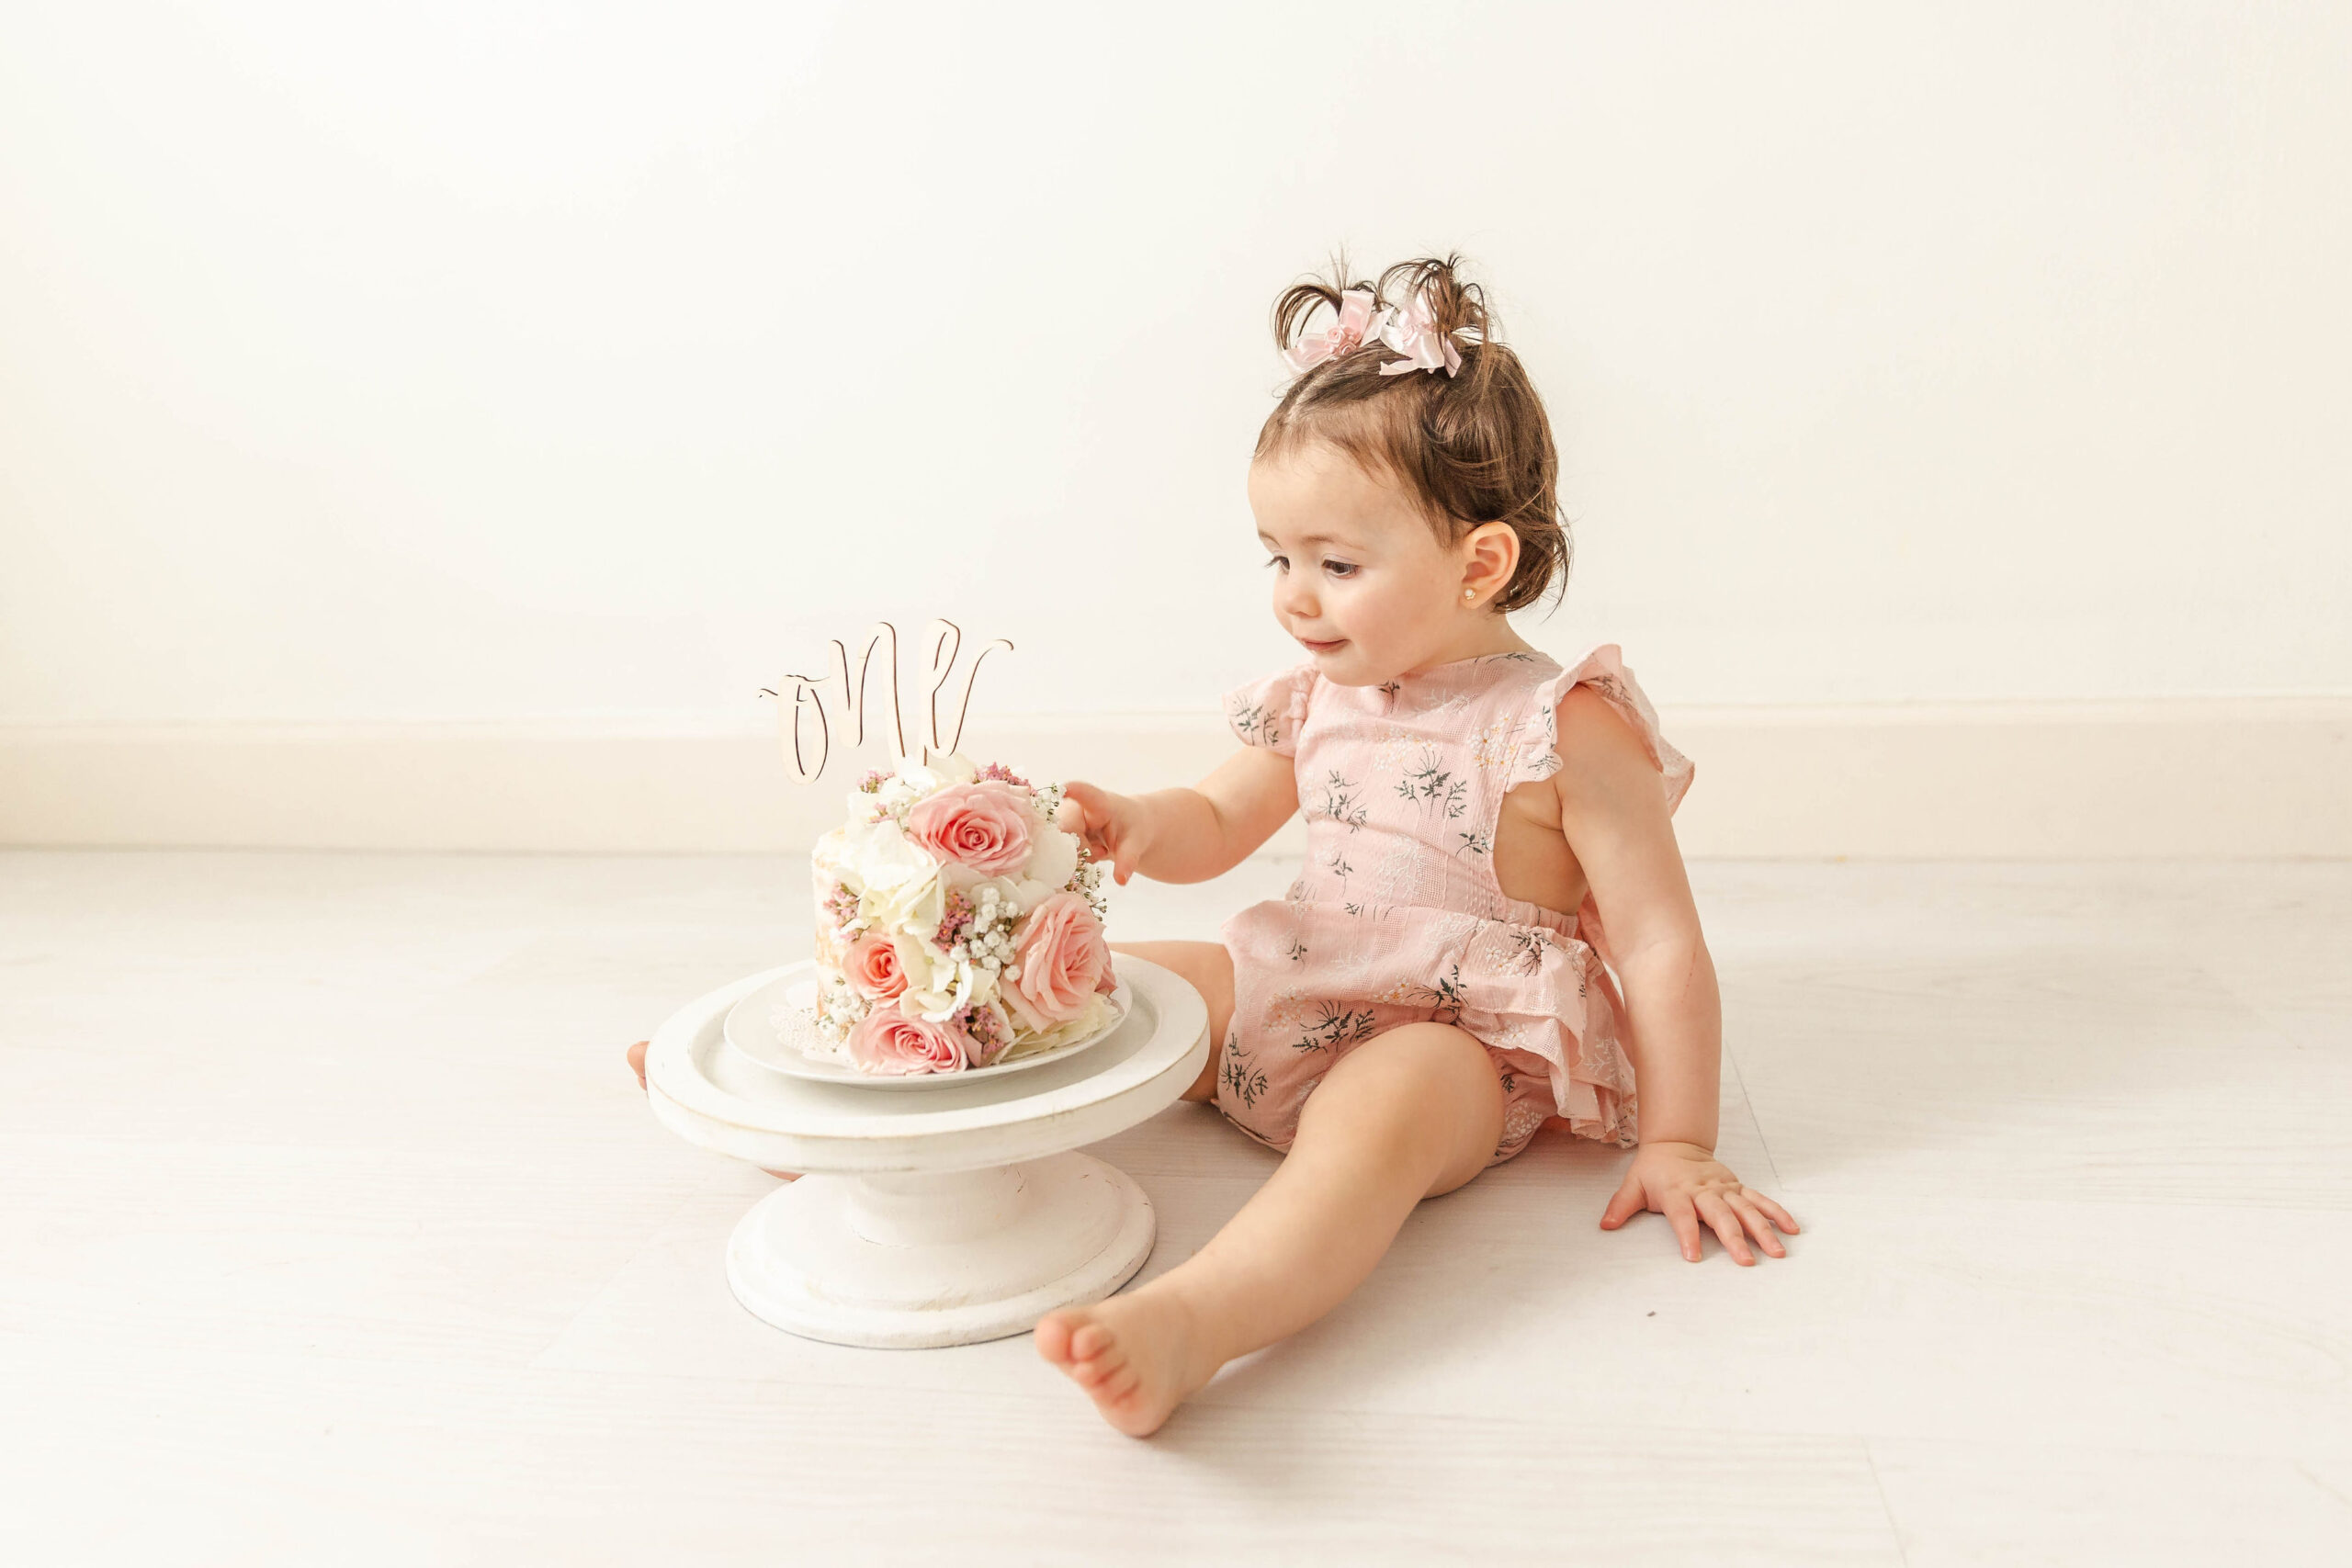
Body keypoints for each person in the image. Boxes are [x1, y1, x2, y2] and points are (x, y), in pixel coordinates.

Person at [1027, 254, 1797, 1437]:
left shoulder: (1561, 727)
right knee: (1101, 985)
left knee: (1371, 1125)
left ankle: (1197, 1320)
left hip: (1456, 1047)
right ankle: (891, 1113)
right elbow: (1220, 818)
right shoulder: (1321, 691)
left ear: (1477, 563)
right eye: (1277, 557)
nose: (1294, 596)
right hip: (1299, 980)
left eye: (1336, 565)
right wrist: (1140, 825)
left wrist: (1682, 1141)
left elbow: (1655, 943)